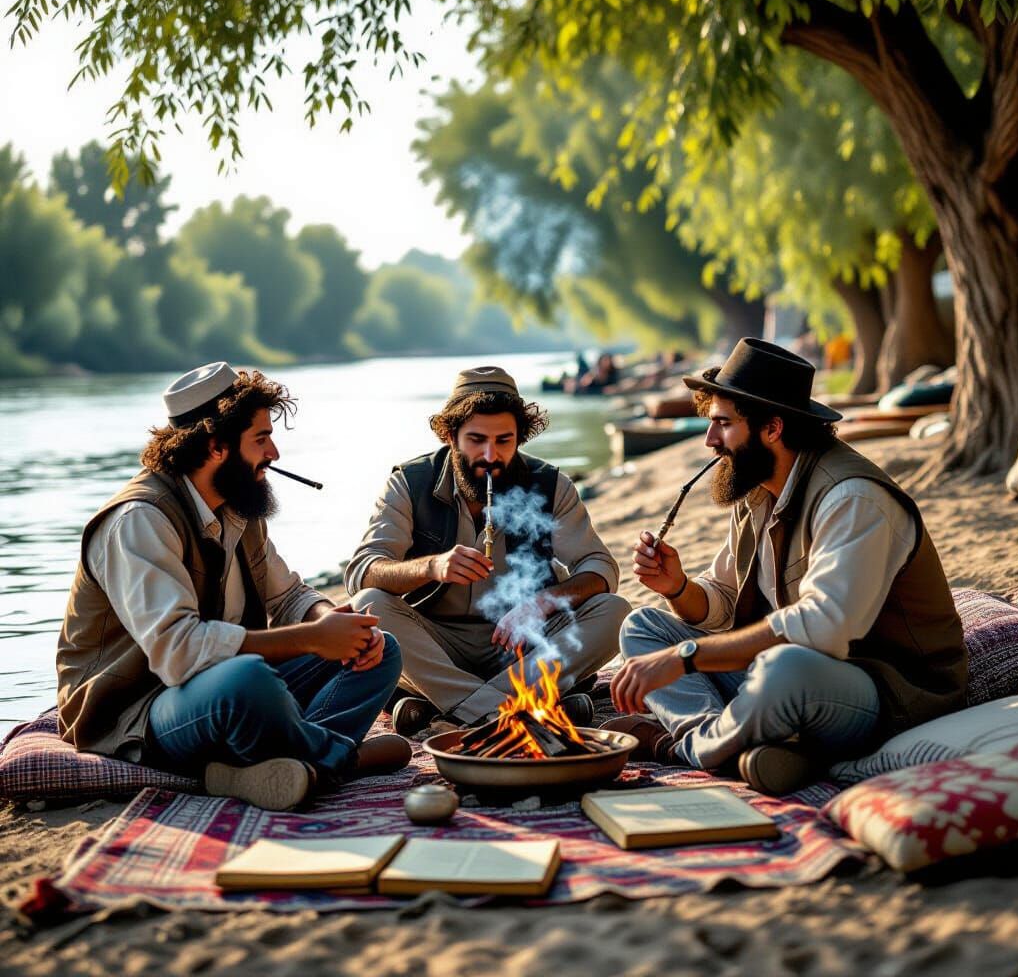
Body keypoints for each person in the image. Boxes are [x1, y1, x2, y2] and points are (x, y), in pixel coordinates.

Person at [603, 338, 966, 795]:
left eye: (723, 424)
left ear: (772, 428)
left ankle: (679, 747)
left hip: (888, 691)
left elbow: (823, 629)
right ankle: (728, 740)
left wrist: (684, 657)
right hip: (791, 676)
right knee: (643, 628)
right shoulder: (759, 487)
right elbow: (724, 602)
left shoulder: (853, 498)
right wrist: (677, 588)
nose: (710, 440)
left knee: (783, 670)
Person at [57, 362, 410, 811]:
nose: (274, 453)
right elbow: (180, 652)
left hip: (216, 689)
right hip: (138, 710)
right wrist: (311, 639)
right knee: (247, 680)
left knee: (380, 649)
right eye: (261, 439)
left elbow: (289, 596)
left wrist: (334, 623)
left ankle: (282, 767)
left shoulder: (237, 507)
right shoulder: (139, 521)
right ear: (216, 446)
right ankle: (342, 759)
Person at [346, 366, 629, 736]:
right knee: (368, 604)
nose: (490, 455)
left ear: (520, 438)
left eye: (504, 441)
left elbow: (600, 567)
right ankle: (515, 708)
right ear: (450, 435)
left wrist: (544, 602)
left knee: (614, 611)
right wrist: (431, 567)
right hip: (437, 647)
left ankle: (456, 708)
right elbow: (363, 572)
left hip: (524, 645)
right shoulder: (409, 484)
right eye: (476, 440)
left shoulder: (550, 485)